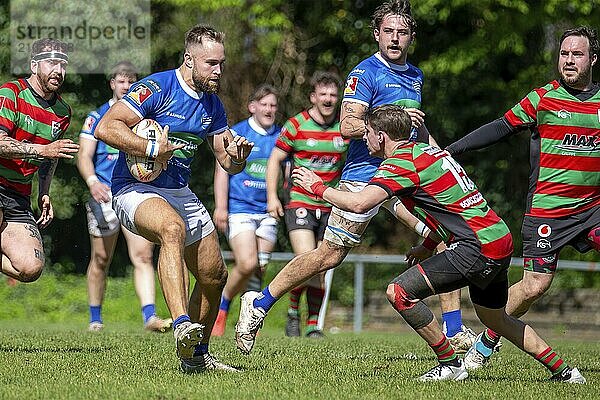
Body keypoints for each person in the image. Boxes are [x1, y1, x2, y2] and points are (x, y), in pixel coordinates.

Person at [243, 104, 586, 383]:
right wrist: (428, 244)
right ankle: (565, 372)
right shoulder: (426, 152)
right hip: (498, 239)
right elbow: (447, 205)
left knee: (399, 293)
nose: (365, 141)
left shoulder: (399, 164)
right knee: (496, 320)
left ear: (381, 135)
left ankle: (449, 363)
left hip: (475, 248)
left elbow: (360, 203)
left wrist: (317, 188)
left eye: (367, 135)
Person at [235, 0, 475, 352]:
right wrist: (394, 122)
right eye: (388, 32)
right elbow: (348, 125)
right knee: (328, 256)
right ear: (377, 34)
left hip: (408, 175)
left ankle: (454, 330)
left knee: (446, 235)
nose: (395, 38)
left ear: (411, 37)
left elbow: (416, 131)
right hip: (366, 175)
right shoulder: (366, 73)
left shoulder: (416, 75)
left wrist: (444, 158)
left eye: (402, 32)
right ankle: (259, 304)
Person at [95, 24, 253, 373]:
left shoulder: (213, 104)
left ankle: (196, 358)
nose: (219, 70)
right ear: (189, 59)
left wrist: (238, 158)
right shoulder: (157, 87)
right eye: (211, 63)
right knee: (171, 227)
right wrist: (152, 147)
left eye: (221, 63)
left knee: (214, 276)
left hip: (178, 191)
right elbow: (105, 127)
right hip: (133, 188)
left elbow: (226, 161)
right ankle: (182, 324)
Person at [446, 26, 600, 371]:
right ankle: (488, 338)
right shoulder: (543, 98)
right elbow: (501, 127)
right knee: (533, 287)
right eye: (564, 54)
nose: (569, 60)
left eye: (577, 54)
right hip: (548, 213)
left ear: (593, 59)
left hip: (593, 211)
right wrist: (453, 150)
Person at [77, 62, 171, 333]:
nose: (127, 86)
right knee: (101, 259)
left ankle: (150, 317)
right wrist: (92, 182)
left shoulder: (144, 120)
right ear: (112, 84)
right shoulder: (97, 116)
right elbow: (83, 156)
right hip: (104, 194)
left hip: (133, 192)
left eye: (131, 81)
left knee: (142, 255)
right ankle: (95, 318)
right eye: (122, 81)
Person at [266, 71, 348, 338]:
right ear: (313, 96)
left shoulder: (344, 129)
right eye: (323, 93)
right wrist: (272, 197)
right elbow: (275, 160)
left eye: (333, 94)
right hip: (300, 200)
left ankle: (313, 326)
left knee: (322, 266)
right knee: (307, 259)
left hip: (331, 203)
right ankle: (292, 312)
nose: (328, 98)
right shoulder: (296, 125)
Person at [0, 38, 79, 283]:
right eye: (52, 63)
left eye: (63, 64)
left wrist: (44, 192)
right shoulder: (10, 93)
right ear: (34, 66)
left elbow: (51, 156)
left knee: (30, 268)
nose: (58, 70)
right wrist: (43, 151)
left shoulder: (63, 112)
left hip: (18, 194)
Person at [211, 84, 281, 337]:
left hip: (267, 211)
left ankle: (249, 317)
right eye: (264, 104)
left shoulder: (281, 136)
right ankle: (223, 305)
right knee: (247, 263)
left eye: (273, 105)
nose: (269, 109)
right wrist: (221, 207)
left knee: (259, 268)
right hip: (240, 209)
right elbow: (222, 171)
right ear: (253, 107)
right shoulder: (238, 132)